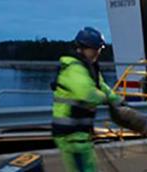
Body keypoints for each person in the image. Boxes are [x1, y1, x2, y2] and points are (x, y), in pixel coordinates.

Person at [52, 27, 121, 172]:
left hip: (81, 133)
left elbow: (101, 86)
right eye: (94, 49)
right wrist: (107, 100)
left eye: (99, 49)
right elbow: (87, 93)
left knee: (88, 168)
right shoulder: (73, 68)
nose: (98, 52)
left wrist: (116, 100)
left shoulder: (89, 67)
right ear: (83, 48)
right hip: (70, 134)